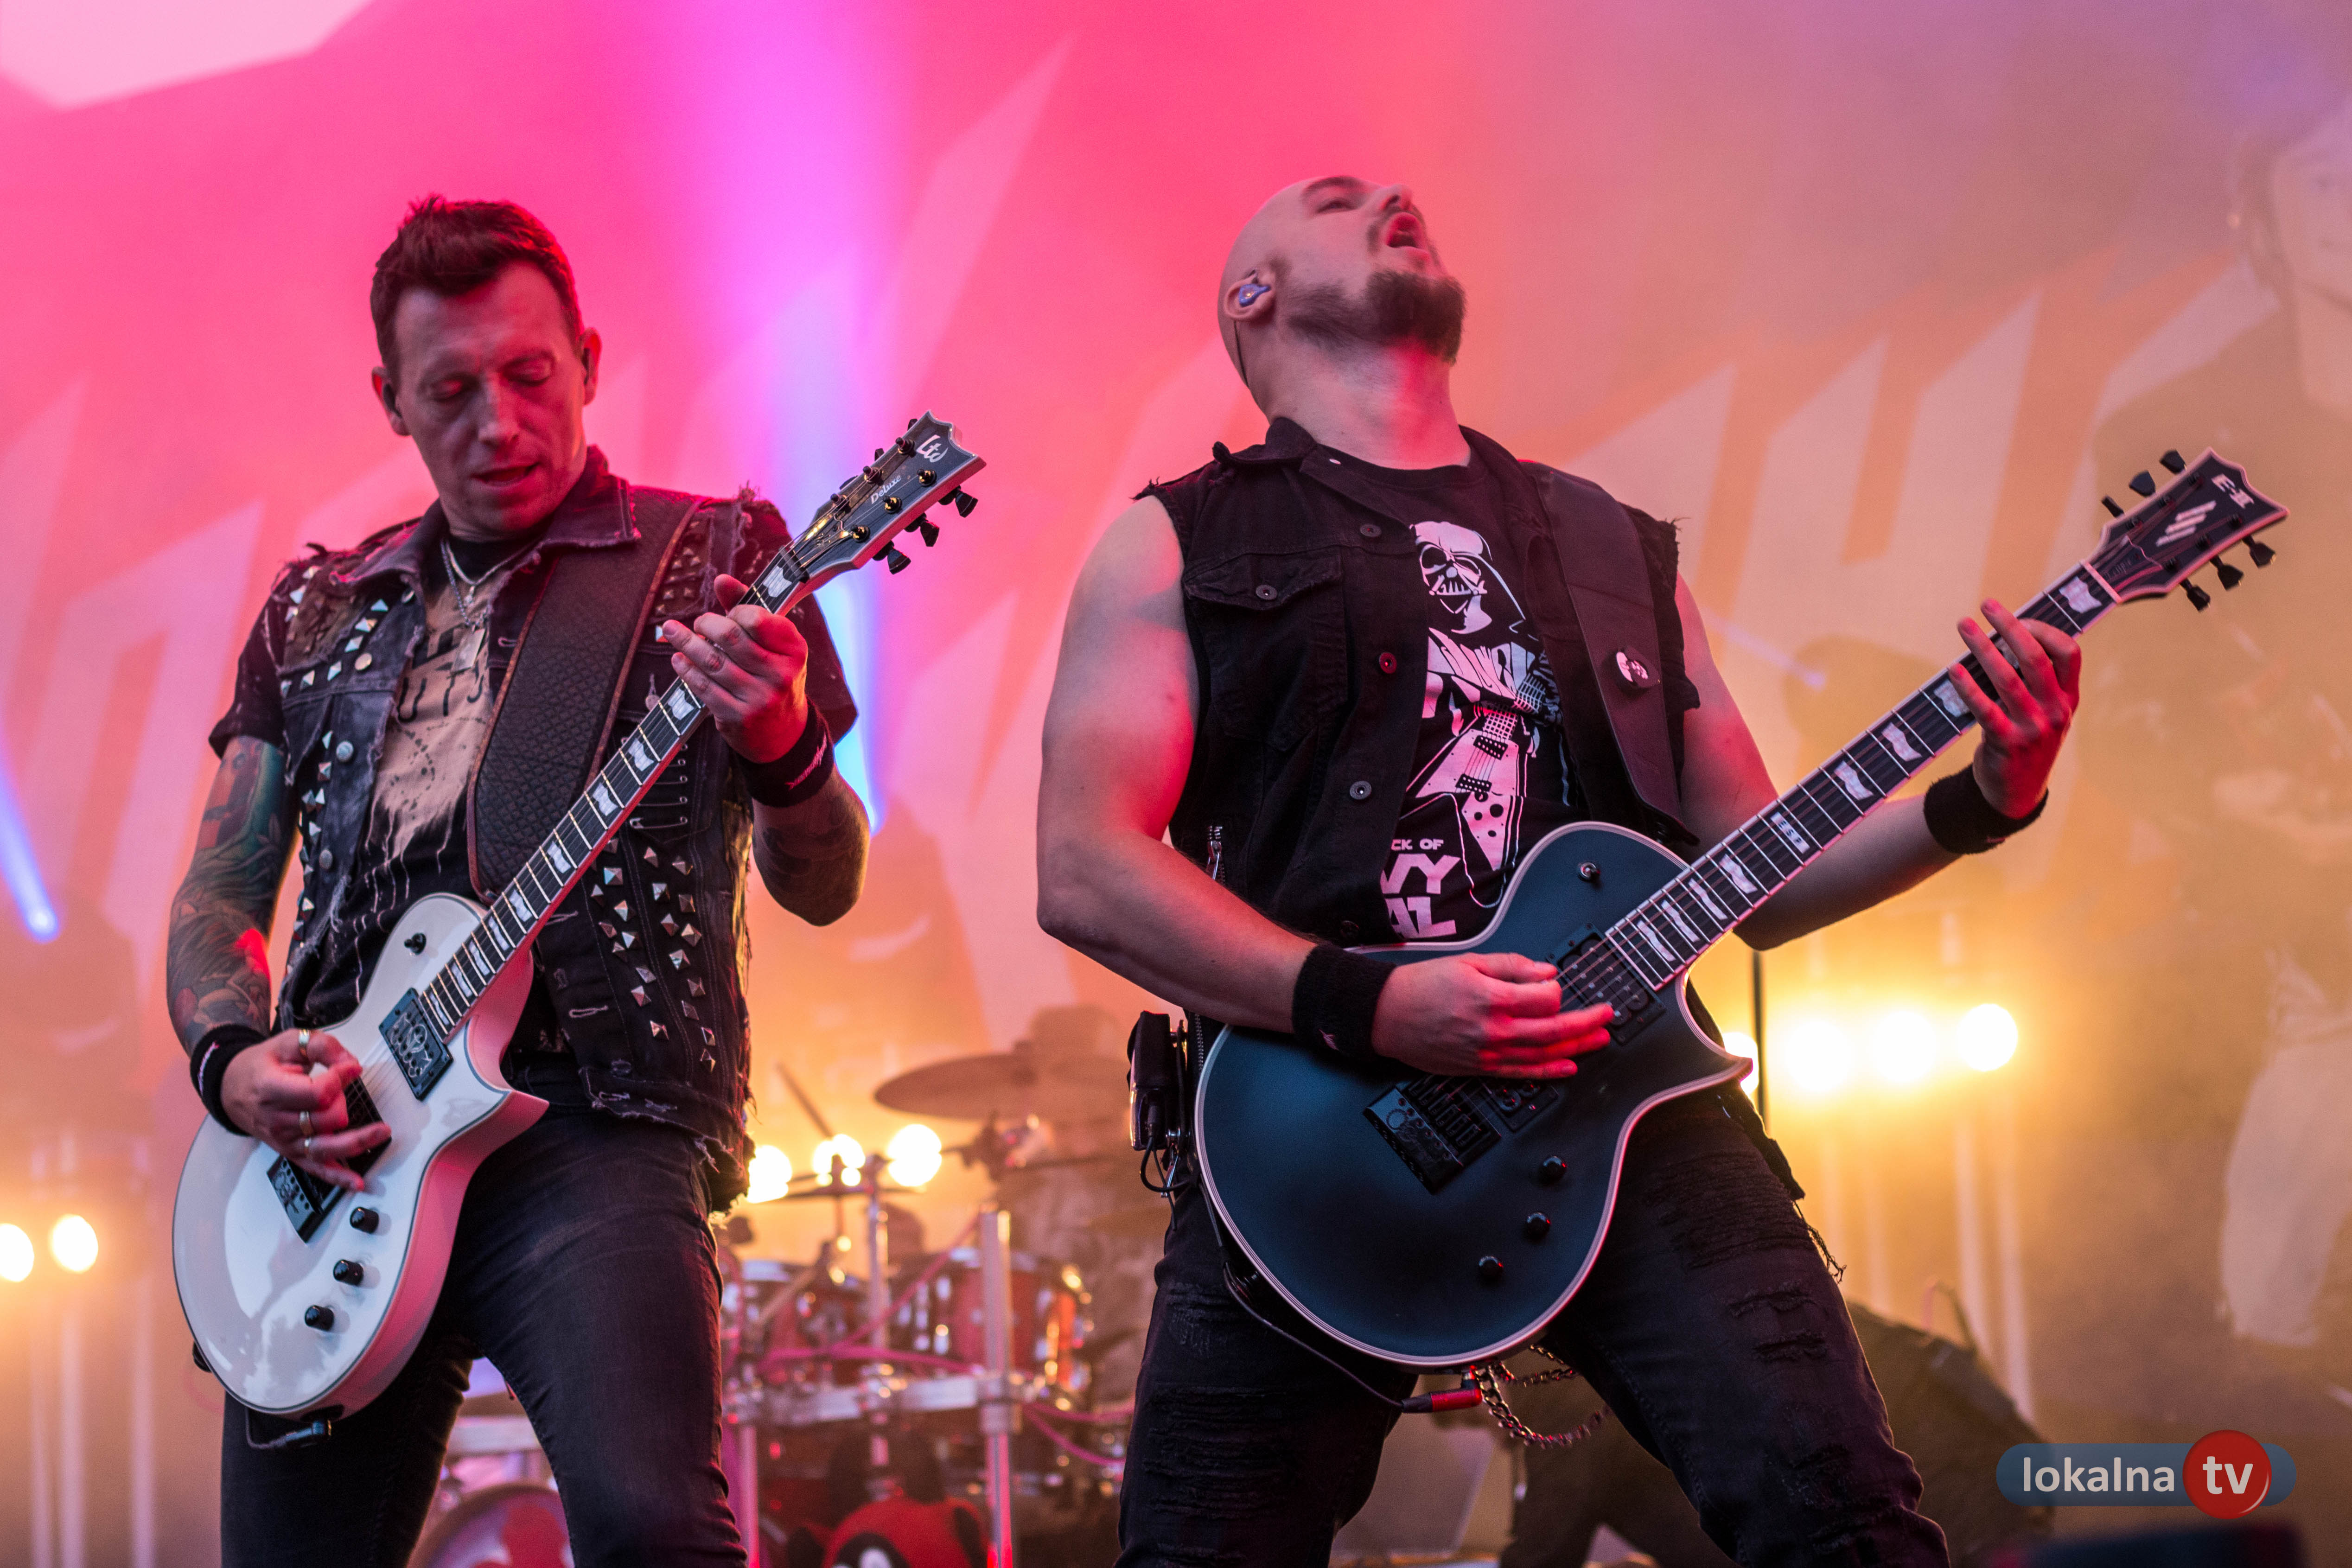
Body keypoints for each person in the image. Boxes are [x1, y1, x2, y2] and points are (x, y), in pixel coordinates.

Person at [1035, 176, 2082, 1567]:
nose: (1393, 195)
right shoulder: (1177, 540)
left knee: (1843, 1526)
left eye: (1397, 191)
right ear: (1252, 297)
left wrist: (1986, 797)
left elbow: (1760, 874)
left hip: (1631, 1119)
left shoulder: (1607, 546)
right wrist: (1368, 1003)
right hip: (1309, 1147)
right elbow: (1086, 868)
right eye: (1340, 202)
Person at [167, 196, 868, 1567]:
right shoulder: (317, 608)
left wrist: (783, 747)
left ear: (589, 363)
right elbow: (222, 890)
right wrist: (231, 1065)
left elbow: (826, 881)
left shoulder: (711, 560)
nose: (498, 422)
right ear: (391, 401)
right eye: (450, 392)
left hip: (592, 1123)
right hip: (342, 1144)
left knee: (653, 1528)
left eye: (530, 375)